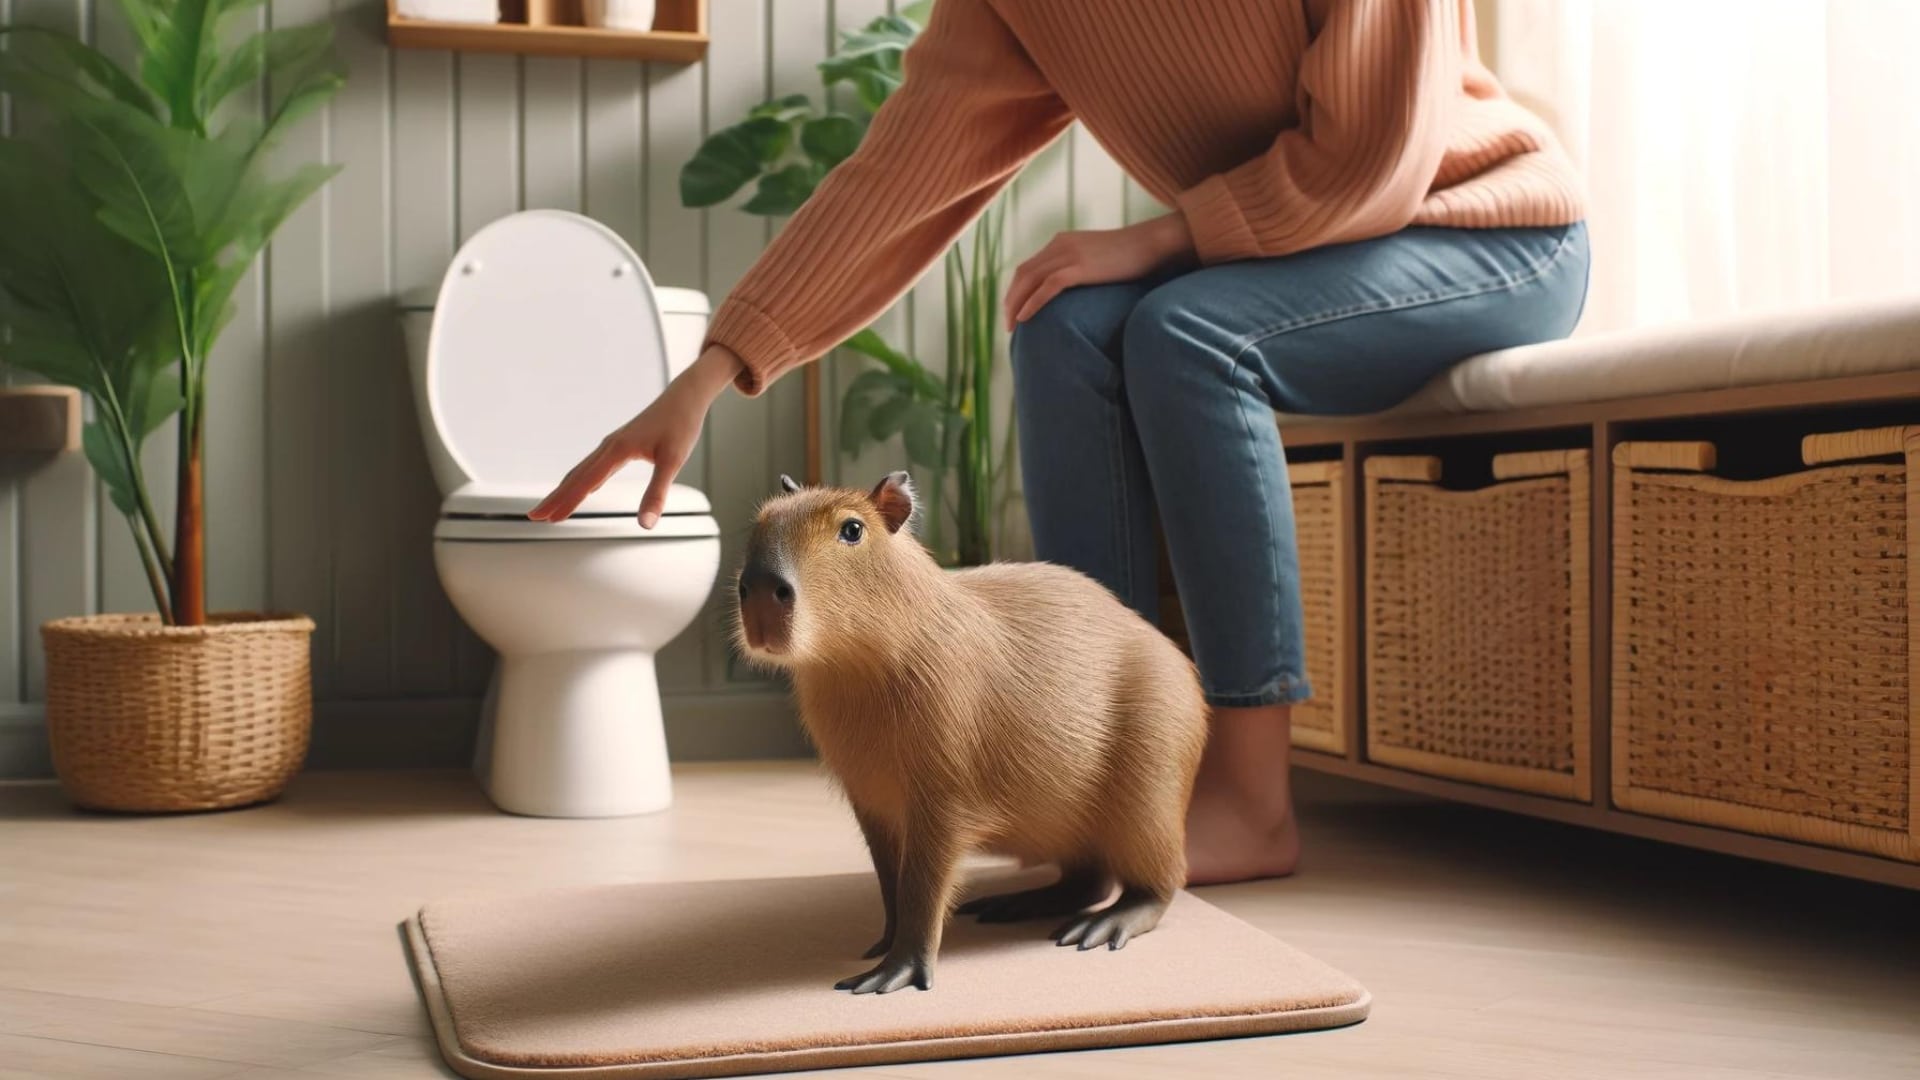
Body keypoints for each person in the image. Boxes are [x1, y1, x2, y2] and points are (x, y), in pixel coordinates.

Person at [530, 0, 1589, 885]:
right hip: (1288, 256)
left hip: (1484, 234)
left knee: (1187, 334)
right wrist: (713, 371)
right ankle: (1090, 780)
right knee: (1062, 317)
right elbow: (898, 177)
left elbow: (1374, 155)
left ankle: (1254, 803)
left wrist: (1159, 237)